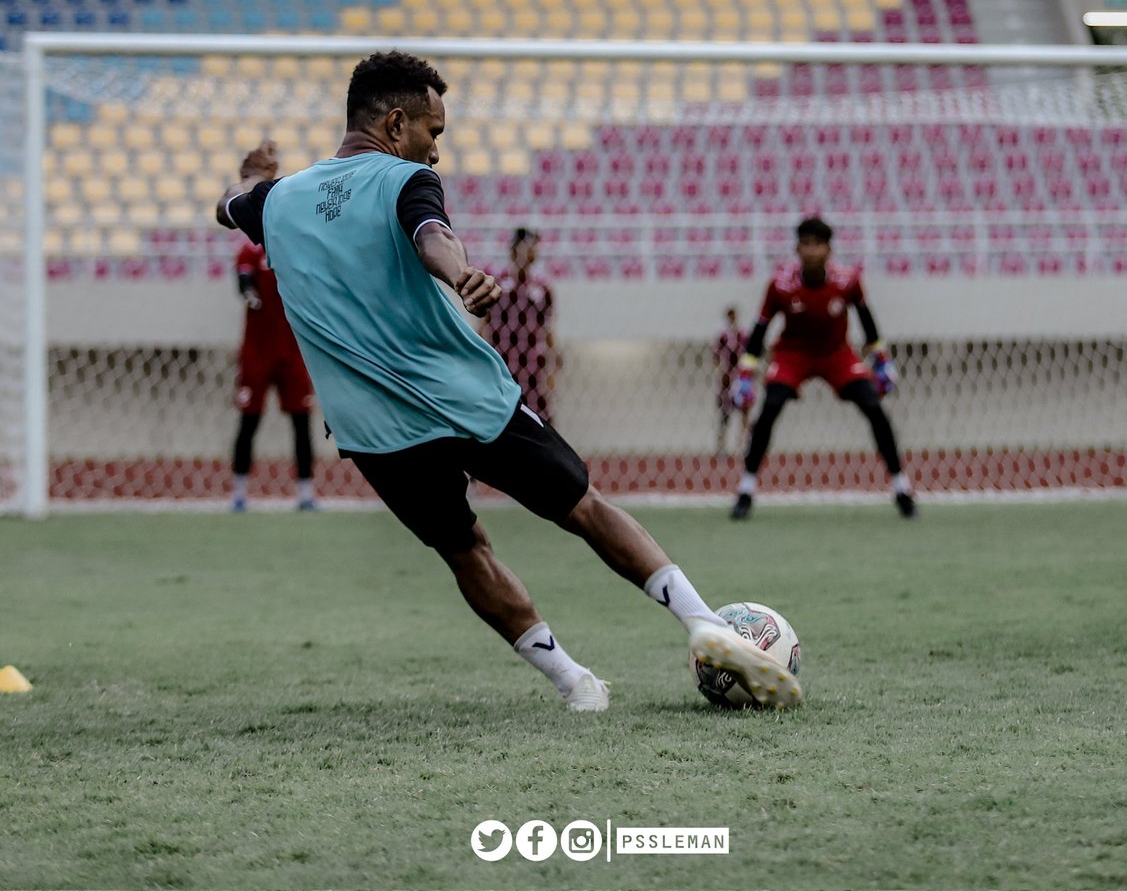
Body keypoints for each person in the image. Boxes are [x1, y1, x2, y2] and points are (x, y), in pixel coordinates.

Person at [215, 50, 800, 712]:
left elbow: (227, 207)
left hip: (372, 429)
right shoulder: (404, 179)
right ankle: (704, 623)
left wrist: (252, 180)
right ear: (397, 123)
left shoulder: (276, 201)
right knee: (583, 507)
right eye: (433, 133)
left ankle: (575, 684)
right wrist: (459, 273)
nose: (436, 150)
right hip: (462, 396)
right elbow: (432, 236)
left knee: (465, 550)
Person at [730, 216, 915, 521]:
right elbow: (760, 331)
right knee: (770, 407)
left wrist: (882, 361)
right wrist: (746, 375)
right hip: (793, 354)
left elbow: (868, 324)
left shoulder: (848, 281)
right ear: (797, 249)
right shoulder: (779, 285)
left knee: (873, 407)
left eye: (818, 244)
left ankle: (901, 488)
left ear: (829, 250)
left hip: (837, 354)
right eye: (806, 244)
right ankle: (746, 489)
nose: (812, 251)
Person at [231, 219, 317, 512]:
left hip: (293, 352)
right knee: (249, 421)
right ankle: (239, 494)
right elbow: (243, 283)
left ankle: (306, 494)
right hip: (257, 353)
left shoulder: (296, 251)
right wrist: (249, 293)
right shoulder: (249, 252)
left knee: (302, 422)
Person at [482, 227, 558, 422]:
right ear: (515, 250)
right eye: (529, 246)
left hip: (532, 364)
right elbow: (484, 325)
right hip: (503, 363)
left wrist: (552, 363)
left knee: (538, 416)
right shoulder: (498, 286)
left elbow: (547, 328)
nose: (534, 251)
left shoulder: (542, 289)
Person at [713, 306, 749, 455]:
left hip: (741, 377)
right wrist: (721, 372)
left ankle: (742, 444)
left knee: (745, 410)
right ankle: (721, 444)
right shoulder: (722, 336)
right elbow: (716, 356)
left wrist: (747, 373)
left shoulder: (743, 335)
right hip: (727, 375)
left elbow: (749, 355)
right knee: (725, 412)